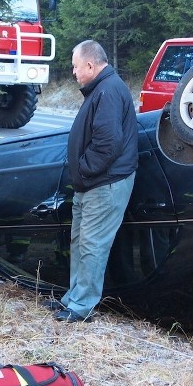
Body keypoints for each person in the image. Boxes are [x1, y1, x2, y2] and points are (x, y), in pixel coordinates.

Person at [47, 40, 138, 323]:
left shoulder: (108, 91)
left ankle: (81, 306)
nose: (73, 72)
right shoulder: (100, 89)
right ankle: (73, 298)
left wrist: (83, 171)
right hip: (92, 183)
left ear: (89, 64)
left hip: (104, 184)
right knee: (80, 241)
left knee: (92, 244)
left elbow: (108, 143)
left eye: (75, 67)